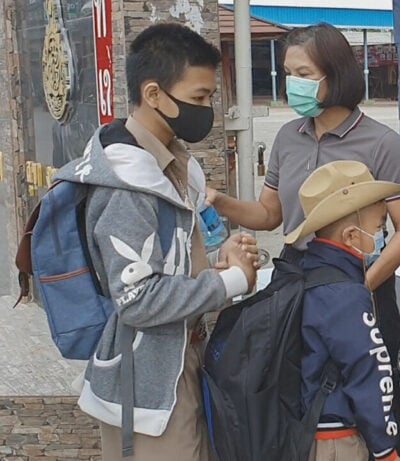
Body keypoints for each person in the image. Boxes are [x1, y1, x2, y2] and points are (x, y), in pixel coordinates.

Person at [207, 22, 400, 460]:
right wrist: (221, 202)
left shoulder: (381, 143)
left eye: (303, 73)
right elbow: (270, 215)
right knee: (303, 396)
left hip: (359, 287)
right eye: (288, 72)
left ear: (334, 74)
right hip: (298, 287)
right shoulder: (289, 137)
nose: (292, 84)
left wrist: (359, 289)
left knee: (372, 394)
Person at [61, 23, 259, 460]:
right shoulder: (126, 183)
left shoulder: (172, 165)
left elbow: (176, 264)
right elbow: (137, 298)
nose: (207, 110)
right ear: (153, 94)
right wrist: (229, 283)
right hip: (146, 381)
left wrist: (221, 262)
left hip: (179, 362)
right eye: (198, 98)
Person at [285, 160, 400, 461]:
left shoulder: (305, 271)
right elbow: (370, 370)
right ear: (352, 236)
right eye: (379, 226)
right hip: (339, 439)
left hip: (311, 425)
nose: (382, 237)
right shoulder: (346, 295)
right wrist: (385, 447)